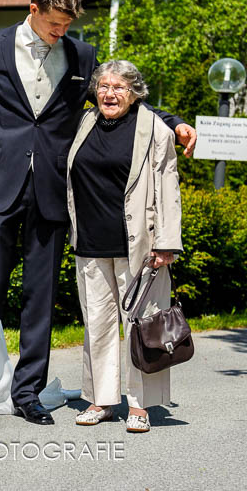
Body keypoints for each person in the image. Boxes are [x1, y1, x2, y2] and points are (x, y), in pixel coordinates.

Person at [0, 0, 196, 425]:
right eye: (54, 24)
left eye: (68, 25)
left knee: (40, 294)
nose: (61, 32)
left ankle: (28, 392)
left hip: (53, 187)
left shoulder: (81, 54)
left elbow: (123, 93)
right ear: (33, 9)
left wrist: (173, 121)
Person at [66, 60, 182, 433]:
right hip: (90, 240)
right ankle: (100, 400)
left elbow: (168, 188)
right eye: (103, 86)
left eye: (118, 87)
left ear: (134, 93)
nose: (109, 94)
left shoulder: (154, 129)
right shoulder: (85, 123)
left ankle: (140, 405)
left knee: (141, 326)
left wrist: (166, 243)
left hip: (141, 244)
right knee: (97, 325)